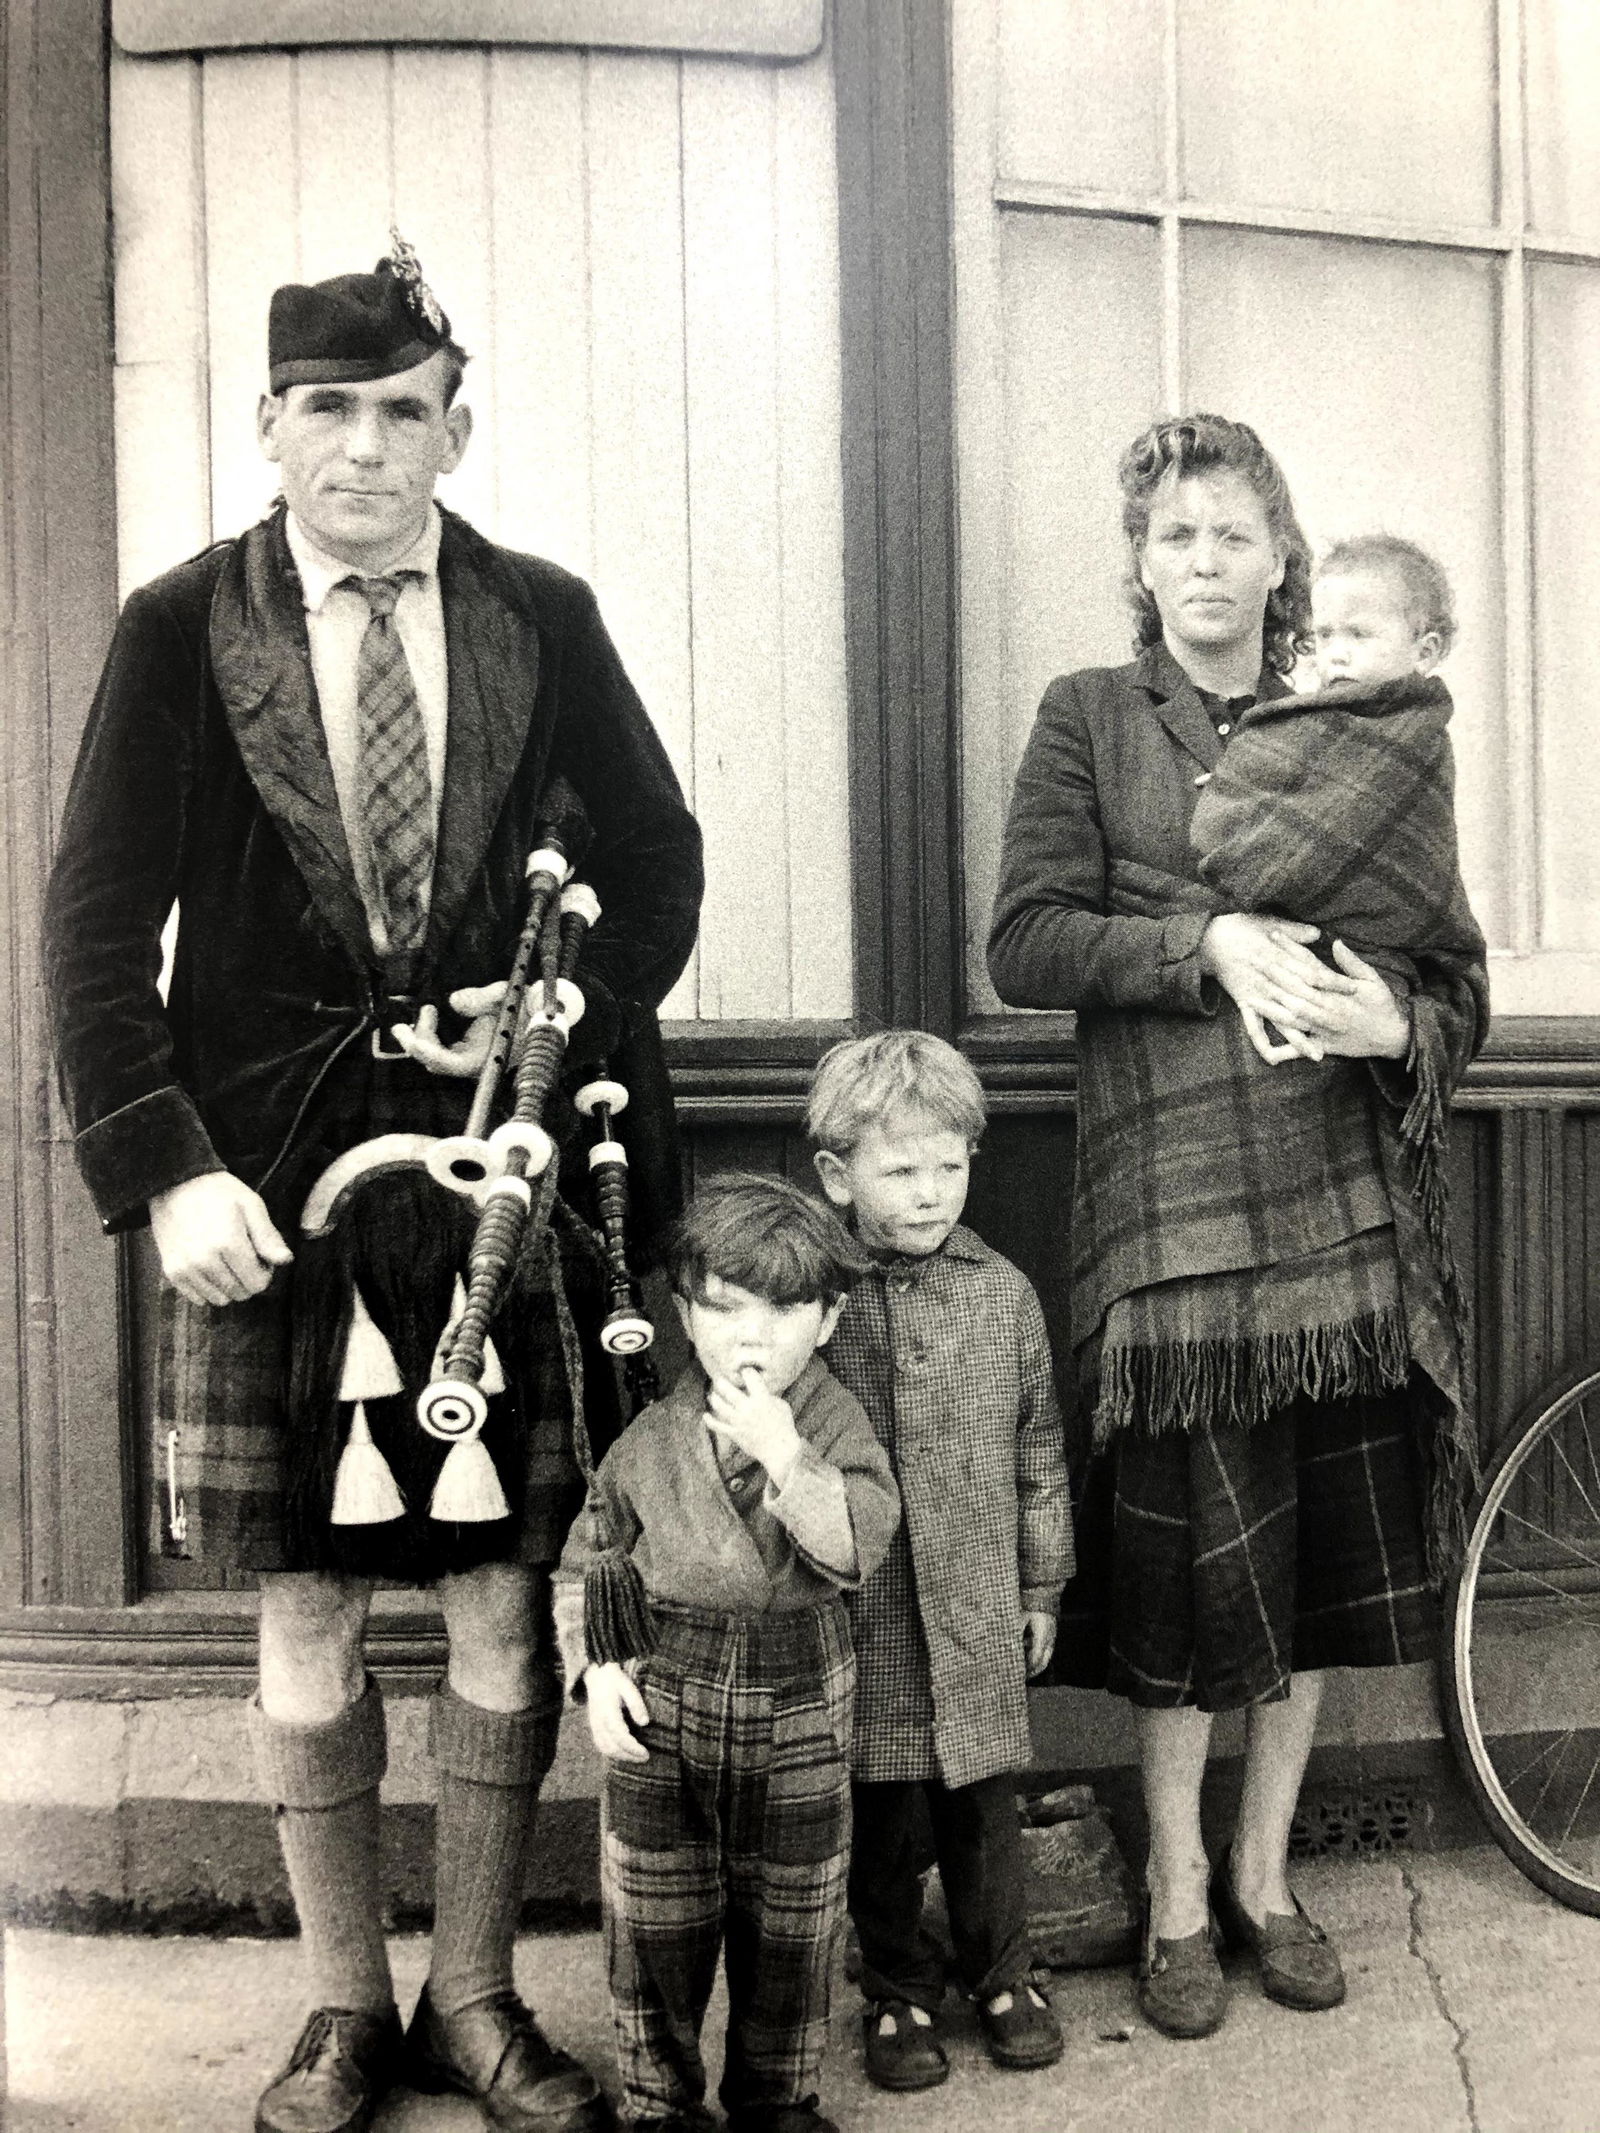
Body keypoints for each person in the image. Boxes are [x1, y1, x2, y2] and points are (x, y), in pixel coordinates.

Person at [43, 240, 703, 2133]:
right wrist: (165, 1171)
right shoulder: (181, 628)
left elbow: (658, 863)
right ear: (267, 428)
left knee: (504, 1589)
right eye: (323, 409)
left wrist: (560, 1002)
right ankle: (343, 2008)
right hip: (277, 1183)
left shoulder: (545, 617)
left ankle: (478, 2002)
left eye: (400, 410)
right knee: (309, 1599)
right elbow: (95, 931)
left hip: (501, 1171)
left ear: (452, 429)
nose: (362, 447)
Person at [987, 415, 1487, 2042]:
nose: (1202, 561)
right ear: (1141, 561)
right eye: (1174, 534)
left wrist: (1386, 1025)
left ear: (1283, 554)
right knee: (1196, 1591)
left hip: (1341, 1224)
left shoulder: (1349, 716)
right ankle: (1178, 1890)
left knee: (1319, 1578)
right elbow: (1027, 936)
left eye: (1232, 532)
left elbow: (1453, 974)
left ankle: (1270, 1881)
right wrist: (1207, 941)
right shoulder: (1089, 720)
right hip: (1173, 1226)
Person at [554, 1174, 900, 2133]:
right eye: (725, 1307)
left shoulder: (832, 1427)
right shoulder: (647, 1439)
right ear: (684, 1315)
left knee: (794, 1913)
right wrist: (602, 1669)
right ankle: (660, 2097)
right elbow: (593, 1556)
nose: (754, 1337)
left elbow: (855, 1545)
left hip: (799, 1684)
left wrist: (792, 1461)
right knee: (653, 1916)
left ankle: (776, 2095)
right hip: (667, 1688)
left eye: (787, 1309)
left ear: (828, 1319)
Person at [807, 1030, 1074, 2091]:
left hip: (975, 1601)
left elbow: (1038, 1448)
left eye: (948, 1166)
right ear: (837, 1176)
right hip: (860, 1605)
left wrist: (1043, 1585)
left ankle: (1002, 1971)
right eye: (897, 1169)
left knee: (980, 1805)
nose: (928, 1194)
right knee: (879, 1811)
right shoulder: (815, 1301)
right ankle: (895, 1988)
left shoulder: (1001, 1294)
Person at [1191, 532, 1480, 1022]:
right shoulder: (1301, 720)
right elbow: (1265, 781)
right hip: (1276, 967)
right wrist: (1239, 783)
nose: (1337, 655)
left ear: (1425, 651)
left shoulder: (1419, 742)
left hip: (1372, 969)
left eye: (1359, 635)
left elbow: (1395, 859)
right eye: (1326, 635)